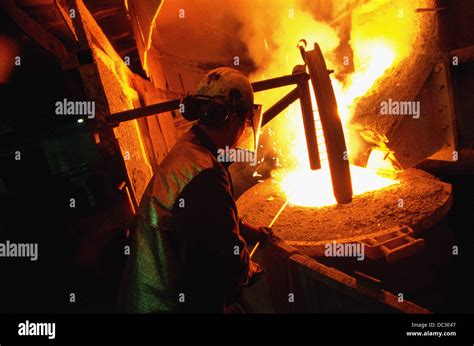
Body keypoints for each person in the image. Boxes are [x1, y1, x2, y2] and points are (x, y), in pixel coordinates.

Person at [119, 67, 272, 313]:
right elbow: (226, 267)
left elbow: (207, 217)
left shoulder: (190, 146)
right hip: (166, 304)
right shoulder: (207, 176)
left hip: (142, 292)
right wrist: (248, 268)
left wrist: (245, 229)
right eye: (244, 120)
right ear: (233, 118)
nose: (244, 127)